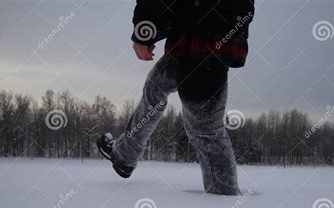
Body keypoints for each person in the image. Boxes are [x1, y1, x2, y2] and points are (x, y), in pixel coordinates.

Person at [97, 0, 254, 195]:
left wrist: (144, 31)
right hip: (199, 33)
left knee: (205, 130)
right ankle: (124, 155)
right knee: (155, 87)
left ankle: (222, 202)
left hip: (202, 39)